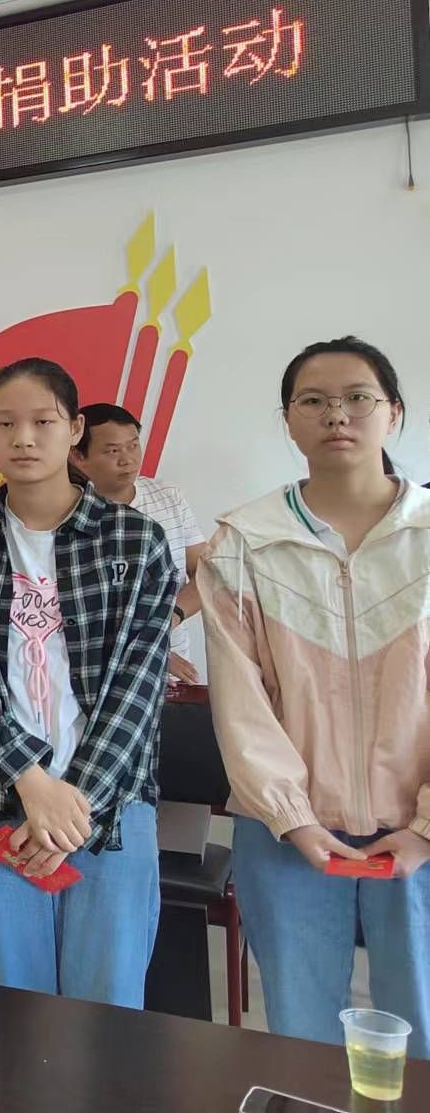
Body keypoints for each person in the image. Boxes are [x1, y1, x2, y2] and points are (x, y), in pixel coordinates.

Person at [199, 336, 430, 1059]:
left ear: (393, 413)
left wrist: (425, 827)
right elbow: (239, 701)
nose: (338, 415)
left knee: (422, 1025)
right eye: (314, 401)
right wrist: (292, 818)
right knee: (302, 1036)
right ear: (289, 421)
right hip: (286, 837)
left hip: (421, 831)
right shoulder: (245, 542)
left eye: (359, 397)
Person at [0, 358, 176, 1008]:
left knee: (108, 998)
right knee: (16, 996)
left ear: (75, 429)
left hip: (110, 797)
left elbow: (139, 685)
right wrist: (31, 782)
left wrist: (74, 803)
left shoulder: (136, 540)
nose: (24, 438)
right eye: (5, 423)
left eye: (43, 421)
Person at [71, 403, 211, 683]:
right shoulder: (67, 515)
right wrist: (145, 647)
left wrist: (169, 619)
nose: (128, 460)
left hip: (172, 672)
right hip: (98, 677)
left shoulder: (168, 496)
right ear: (78, 456)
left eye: (133, 445)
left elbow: (207, 572)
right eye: (113, 451)